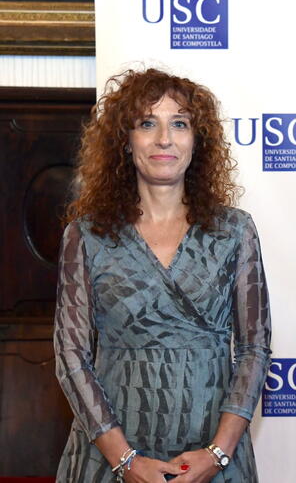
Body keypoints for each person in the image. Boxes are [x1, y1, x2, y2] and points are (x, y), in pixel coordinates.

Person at [54, 68, 271, 482]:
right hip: (110, 453)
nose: (164, 139)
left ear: (197, 141)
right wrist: (124, 459)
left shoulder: (234, 231)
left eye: (180, 124)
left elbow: (254, 350)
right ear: (125, 140)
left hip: (211, 451)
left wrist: (218, 454)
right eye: (147, 123)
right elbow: (70, 356)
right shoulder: (86, 236)